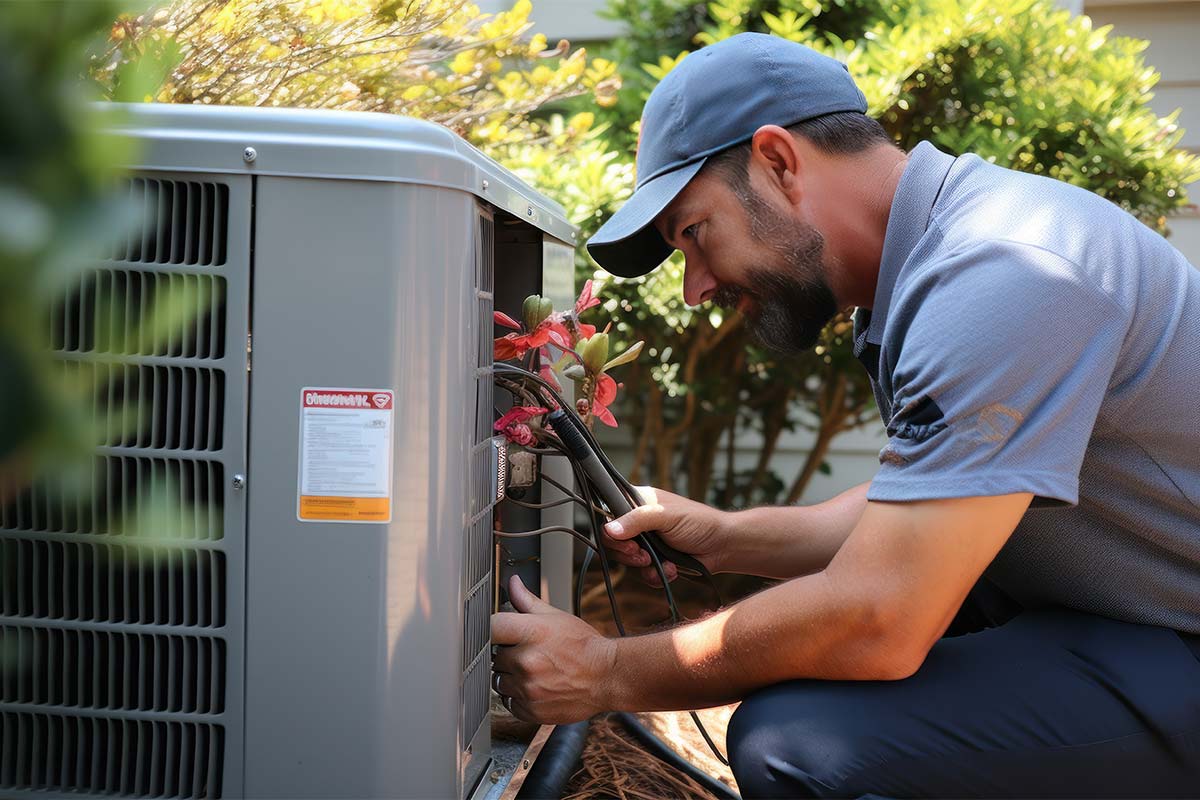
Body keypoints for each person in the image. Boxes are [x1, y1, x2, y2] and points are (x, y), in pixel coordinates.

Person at [491, 32, 1200, 798]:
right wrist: (726, 539)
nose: (696, 288)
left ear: (778, 162)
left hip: (1174, 639)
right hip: (1126, 620)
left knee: (800, 746)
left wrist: (605, 671)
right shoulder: (933, 262)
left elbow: (879, 617)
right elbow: (939, 504)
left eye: (695, 232)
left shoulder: (1003, 273)